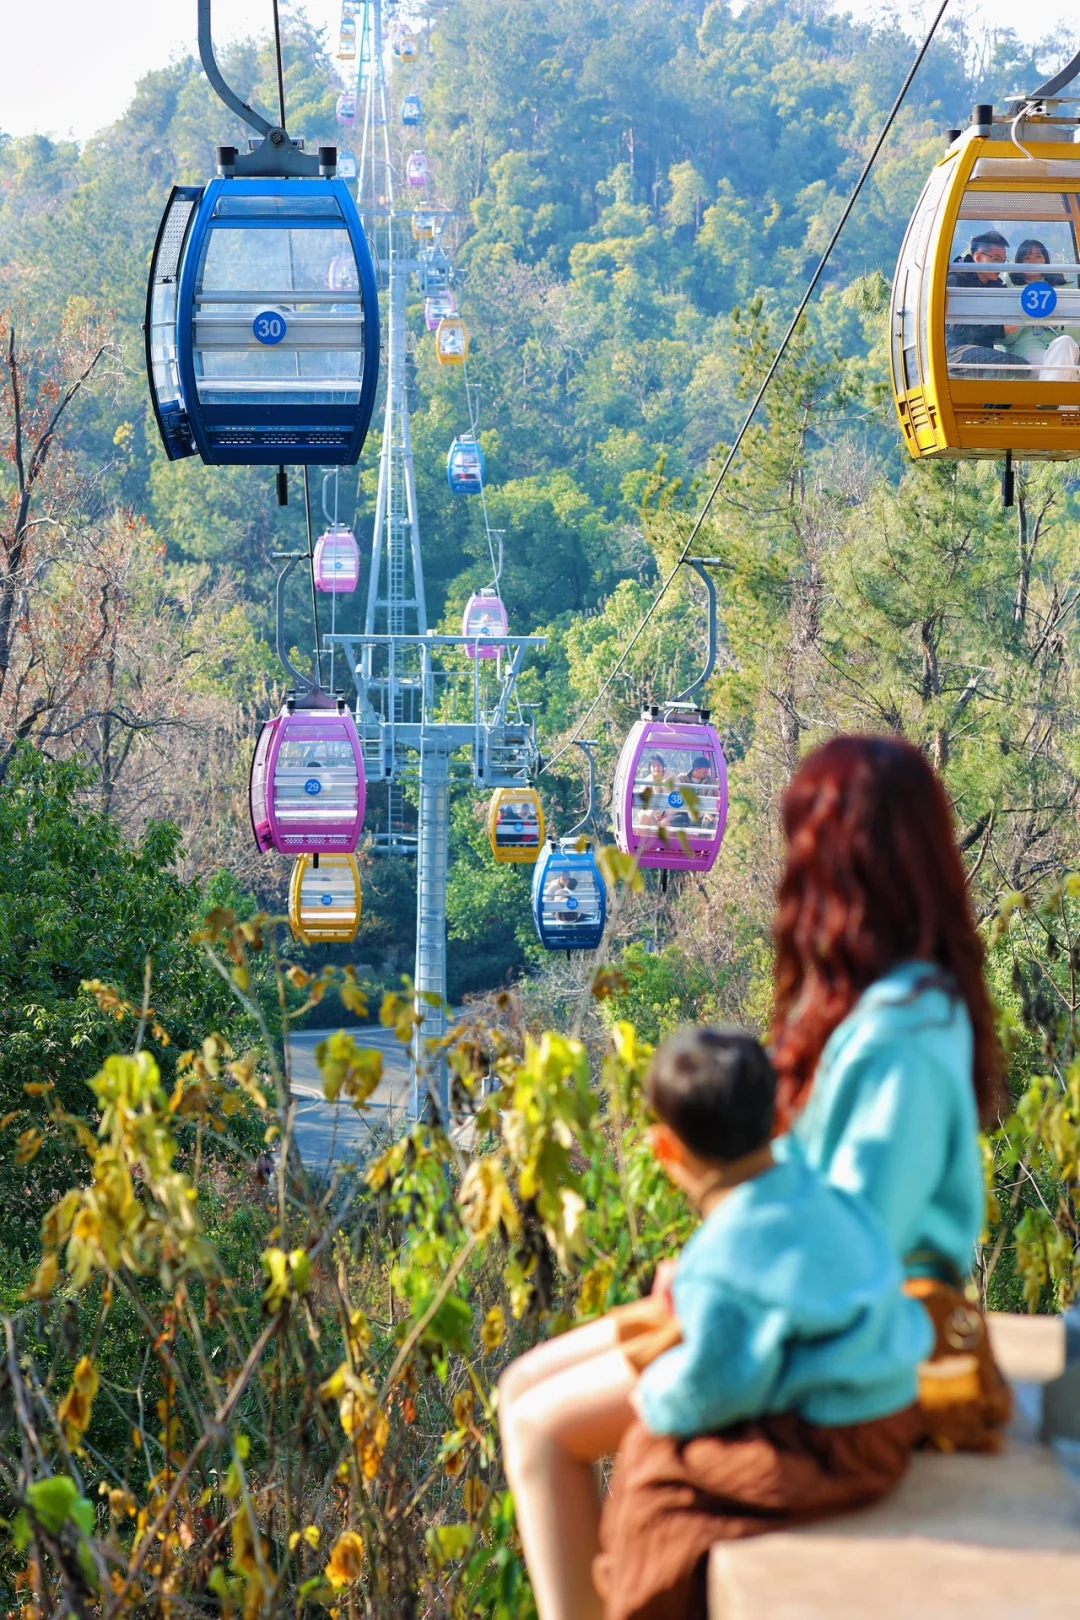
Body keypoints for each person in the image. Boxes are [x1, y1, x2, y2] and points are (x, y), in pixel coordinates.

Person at [499, 1027, 930, 1620]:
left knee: (633, 1464)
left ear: (666, 1151)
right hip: (883, 1395)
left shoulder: (722, 1262)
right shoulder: (818, 1193)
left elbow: (713, 1390)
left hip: (839, 1436)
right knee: (541, 1401)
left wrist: (656, 1393)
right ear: (778, 1120)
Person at [946, 229, 1029, 376]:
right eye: (996, 259)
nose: (1001, 266)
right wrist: (1000, 329)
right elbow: (958, 327)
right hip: (953, 350)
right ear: (978, 257)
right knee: (1016, 368)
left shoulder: (996, 286)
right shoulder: (956, 281)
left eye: (1003, 261)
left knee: (1024, 368)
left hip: (980, 350)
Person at [1002, 237, 1080, 379]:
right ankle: (1054, 399)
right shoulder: (1009, 288)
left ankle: (1049, 400)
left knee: (1066, 342)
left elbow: (1077, 331)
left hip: (1061, 345)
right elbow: (1005, 339)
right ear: (1019, 262)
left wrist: (1056, 325)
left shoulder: (1063, 286)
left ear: (1045, 260)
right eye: (1027, 258)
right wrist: (1026, 317)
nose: (1033, 261)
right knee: (1066, 374)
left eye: (1038, 256)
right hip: (1027, 346)